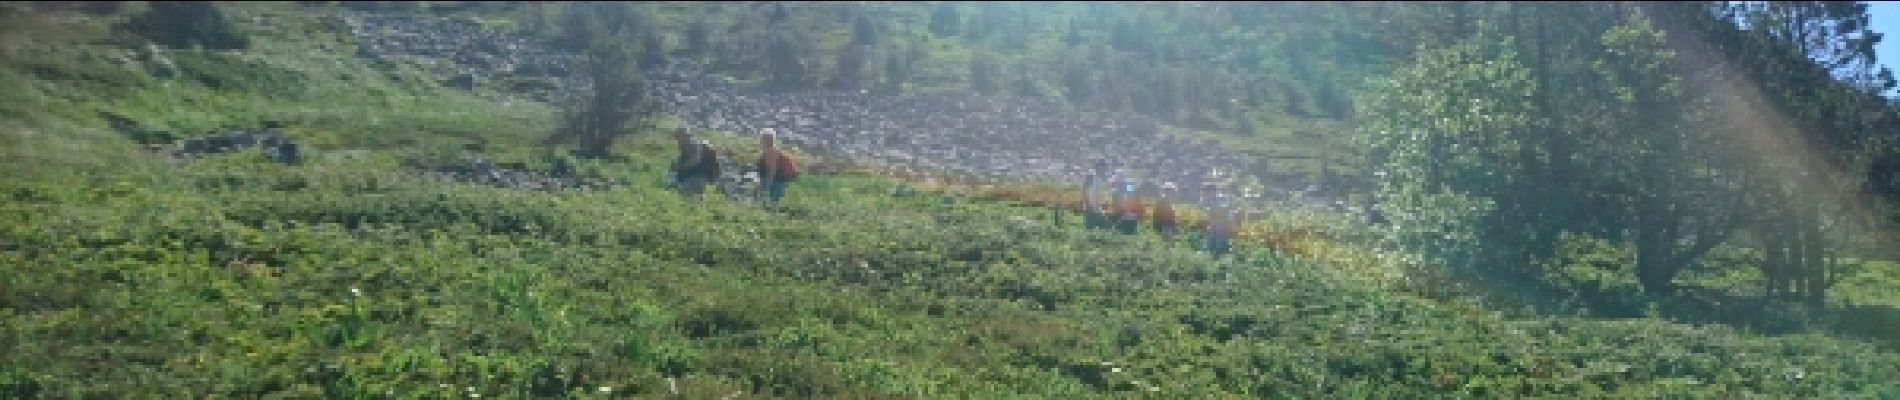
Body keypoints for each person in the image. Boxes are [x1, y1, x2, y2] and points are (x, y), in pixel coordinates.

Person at [755, 128, 796, 206]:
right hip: (775, 178)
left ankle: (770, 206)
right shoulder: (767, 151)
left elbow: (772, 169)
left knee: (774, 197)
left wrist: (768, 185)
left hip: (779, 179)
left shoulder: (772, 152)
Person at [1201, 181, 1234, 256]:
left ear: (1212, 192)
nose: (1204, 195)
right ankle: (1210, 253)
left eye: (1206, 193)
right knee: (1211, 231)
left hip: (1223, 226)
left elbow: (1224, 211)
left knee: (1217, 231)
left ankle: (1217, 253)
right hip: (1215, 226)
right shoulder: (1210, 201)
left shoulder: (1220, 198)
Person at [1082, 159, 1108, 229]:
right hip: (1090, 208)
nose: (1103, 169)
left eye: (1104, 167)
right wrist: (1087, 204)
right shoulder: (1091, 176)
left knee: (1103, 227)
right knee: (1089, 228)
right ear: (1097, 167)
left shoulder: (1100, 178)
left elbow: (1100, 194)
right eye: (1102, 166)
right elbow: (1085, 190)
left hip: (1098, 209)